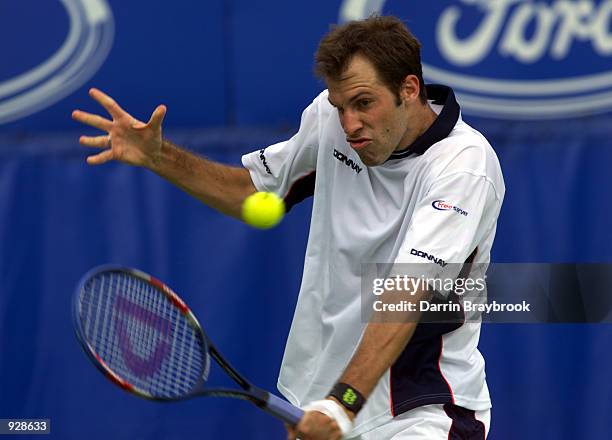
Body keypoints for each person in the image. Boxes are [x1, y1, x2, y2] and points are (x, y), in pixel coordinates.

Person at [72, 15, 504, 440]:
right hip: (321, 401)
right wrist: (160, 157)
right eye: (339, 107)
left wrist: (343, 403)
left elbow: (406, 292)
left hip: (421, 411)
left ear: (409, 90)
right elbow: (255, 193)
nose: (350, 124)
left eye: (364, 103)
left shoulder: (463, 166)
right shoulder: (330, 119)